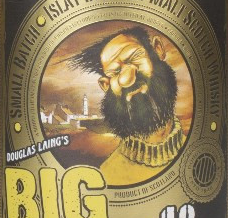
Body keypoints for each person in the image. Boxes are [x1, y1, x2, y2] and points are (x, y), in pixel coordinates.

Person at [72, 26, 186, 185]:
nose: (127, 79)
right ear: (106, 85)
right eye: (115, 72)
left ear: (158, 49)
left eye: (134, 57)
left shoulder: (195, 151)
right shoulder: (107, 176)